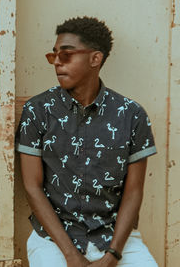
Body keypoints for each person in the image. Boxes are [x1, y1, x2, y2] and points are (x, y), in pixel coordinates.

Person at [16, 17, 158, 267]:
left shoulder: (132, 115)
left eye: (67, 55)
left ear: (95, 59)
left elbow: (134, 191)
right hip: (53, 239)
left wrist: (112, 256)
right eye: (54, 55)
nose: (57, 62)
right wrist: (72, 256)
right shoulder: (38, 111)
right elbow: (32, 187)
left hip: (116, 239)